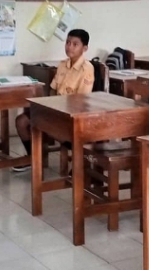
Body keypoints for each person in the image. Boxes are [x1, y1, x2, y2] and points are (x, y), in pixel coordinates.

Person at [13, 29, 94, 172]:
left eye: (75, 44)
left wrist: (59, 110)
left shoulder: (87, 69)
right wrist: (50, 106)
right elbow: (52, 89)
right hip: (55, 109)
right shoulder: (62, 65)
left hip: (72, 114)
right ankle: (34, 158)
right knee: (21, 121)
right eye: (68, 42)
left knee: (53, 129)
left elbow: (81, 100)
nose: (69, 47)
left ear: (85, 48)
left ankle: (81, 161)